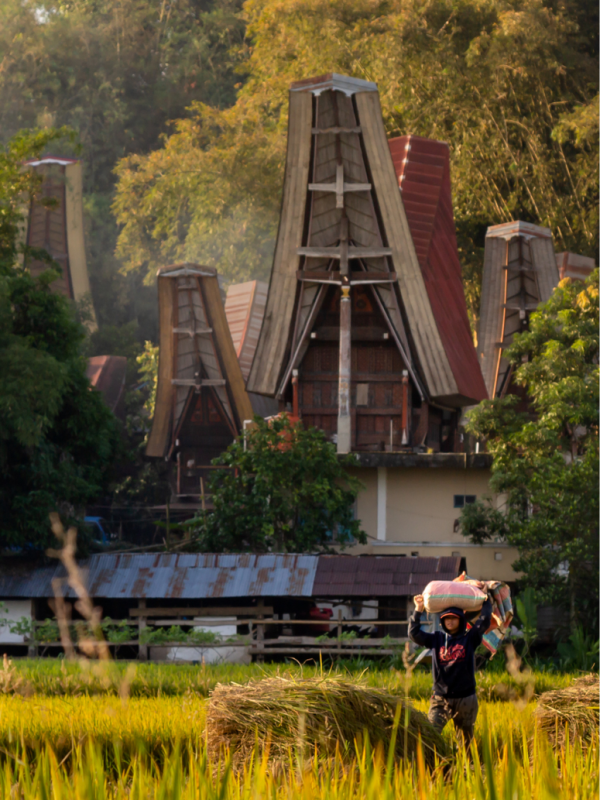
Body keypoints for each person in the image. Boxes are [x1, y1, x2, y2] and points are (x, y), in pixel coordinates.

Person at [409, 591, 492, 746]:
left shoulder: (470, 638)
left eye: (453, 617)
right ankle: (435, 766)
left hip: (466, 699)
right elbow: (414, 634)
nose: (450, 621)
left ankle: (465, 768)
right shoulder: (436, 639)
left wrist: (487, 601)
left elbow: (485, 620)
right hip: (441, 699)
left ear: (460, 620)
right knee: (430, 735)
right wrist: (418, 609)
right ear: (442, 621)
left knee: (465, 742)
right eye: (446, 618)